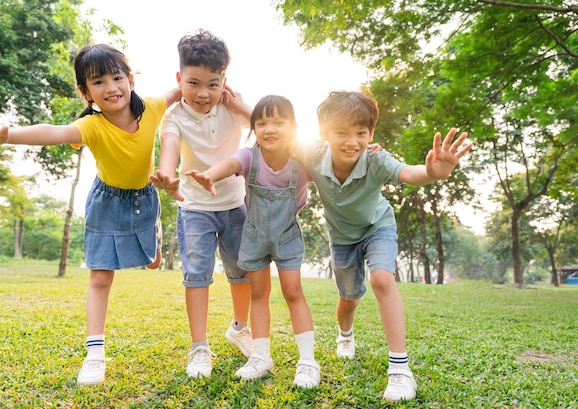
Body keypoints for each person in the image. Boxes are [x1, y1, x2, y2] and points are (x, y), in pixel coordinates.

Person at [0, 44, 181, 386]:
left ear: (130, 79)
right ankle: (95, 353)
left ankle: (153, 243)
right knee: (101, 278)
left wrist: (216, 87)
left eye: (117, 77)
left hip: (145, 198)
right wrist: (4, 136)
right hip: (107, 202)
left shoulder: (150, 108)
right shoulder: (91, 125)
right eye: (98, 82)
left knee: (151, 262)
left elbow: (180, 89)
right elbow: (54, 132)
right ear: (85, 92)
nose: (111, 88)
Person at [292, 91, 472, 402]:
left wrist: (432, 172)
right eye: (341, 132)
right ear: (324, 133)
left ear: (371, 133)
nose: (352, 142)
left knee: (382, 279)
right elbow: (273, 135)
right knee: (348, 298)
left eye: (361, 133)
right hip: (342, 239)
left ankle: (400, 371)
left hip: (378, 227)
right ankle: (345, 336)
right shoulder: (311, 153)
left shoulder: (376, 158)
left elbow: (410, 173)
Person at [185, 95, 320, 387]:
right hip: (255, 235)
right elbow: (229, 163)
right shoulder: (250, 156)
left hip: (287, 236)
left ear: (294, 127)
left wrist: (365, 154)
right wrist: (208, 175)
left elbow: (335, 164)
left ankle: (307, 361)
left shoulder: (303, 160)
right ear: (254, 128)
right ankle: (260, 356)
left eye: (278, 123)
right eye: (262, 123)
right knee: (258, 293)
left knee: (293, 292)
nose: (269, 129)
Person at [149, 29, 253, 378]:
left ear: (225, 79)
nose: (204, 93)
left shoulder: (233, 110)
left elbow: (271, 127)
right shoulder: (174, 116)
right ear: (179, 80)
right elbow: (170, 149)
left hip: (235, 205)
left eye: (213, 83)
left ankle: (239, 328)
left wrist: (236, 102)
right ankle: (199, 348)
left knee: (241, 274)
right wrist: (166, 176)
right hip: (195, 209)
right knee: (197, 276)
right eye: (193, 83)